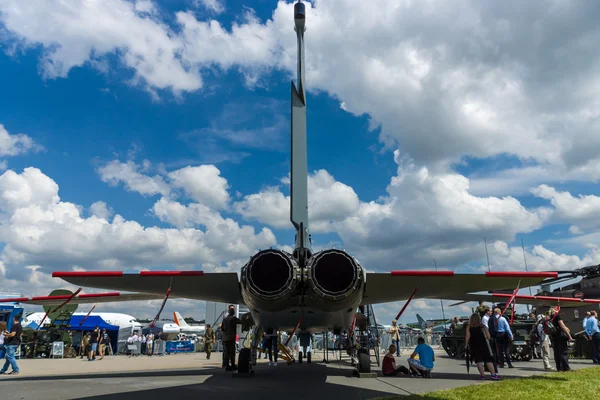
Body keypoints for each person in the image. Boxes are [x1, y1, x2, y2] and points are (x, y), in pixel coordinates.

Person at [465, 313, 500, 380]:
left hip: (474, 344)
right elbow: (488, 336)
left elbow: (467, 336)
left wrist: (466, 344)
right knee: (488, 360)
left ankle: (482, 375)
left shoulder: (469, 326)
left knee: (478, 361)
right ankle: (493, 374)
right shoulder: (483, 326)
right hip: (484, 344)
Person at [549, 307, 572, 372]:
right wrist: (569, 335)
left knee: (557, 353)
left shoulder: (550, 317)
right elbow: (562, 326)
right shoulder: (557, 316)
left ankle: (558, 367)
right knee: (563, 352)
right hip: (560, 336)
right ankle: (565, 368)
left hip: (554, 336)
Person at [221, 305, 241, 371]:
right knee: (232, 352)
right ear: (233, 312)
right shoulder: (234, 319)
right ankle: (232, 365)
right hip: (231, 339)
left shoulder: (224, 319)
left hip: (225, 339)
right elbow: (241, 322)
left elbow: (222, 328)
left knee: (226, 352)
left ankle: (226, 365)